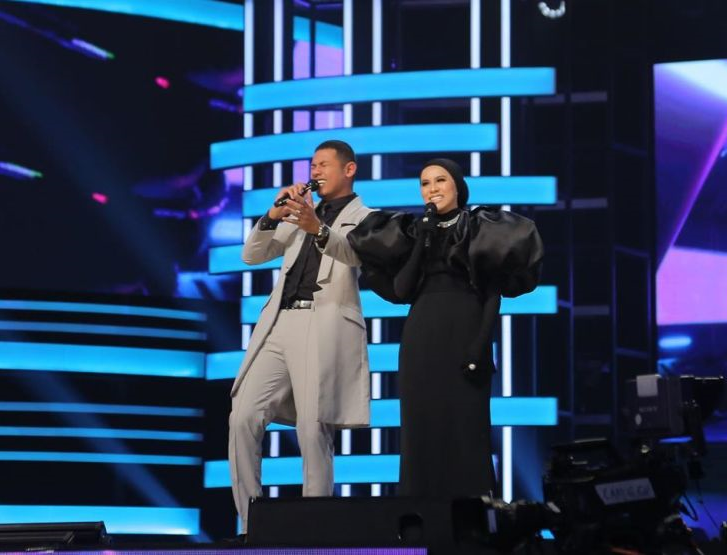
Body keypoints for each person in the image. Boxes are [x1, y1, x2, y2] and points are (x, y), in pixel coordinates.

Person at [348, 158, 543, 498]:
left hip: (466, 331)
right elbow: (401, 291)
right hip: (421, 335)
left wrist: (480, 347)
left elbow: (492, 294)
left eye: (440, 180)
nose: (432, 189)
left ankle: (473, 518)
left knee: (467, 429)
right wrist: (422, 241)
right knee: (420, 428)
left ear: (457, 186)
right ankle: (420, 515)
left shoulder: (481, 227)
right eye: (425, 183)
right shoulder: (413, 231)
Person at [228, 140, 372, 534]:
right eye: (313, 165)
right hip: (280, 322)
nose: (315, 172)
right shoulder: (300, 212)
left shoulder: (365, 217)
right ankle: (251, 526)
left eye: (324, 164)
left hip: (322, 322)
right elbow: (252, 255)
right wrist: (273, 215)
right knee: (243, 416)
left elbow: (354, 255)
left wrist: (317, 228)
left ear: (349, 169)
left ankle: (314, 528)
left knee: (313, 427)